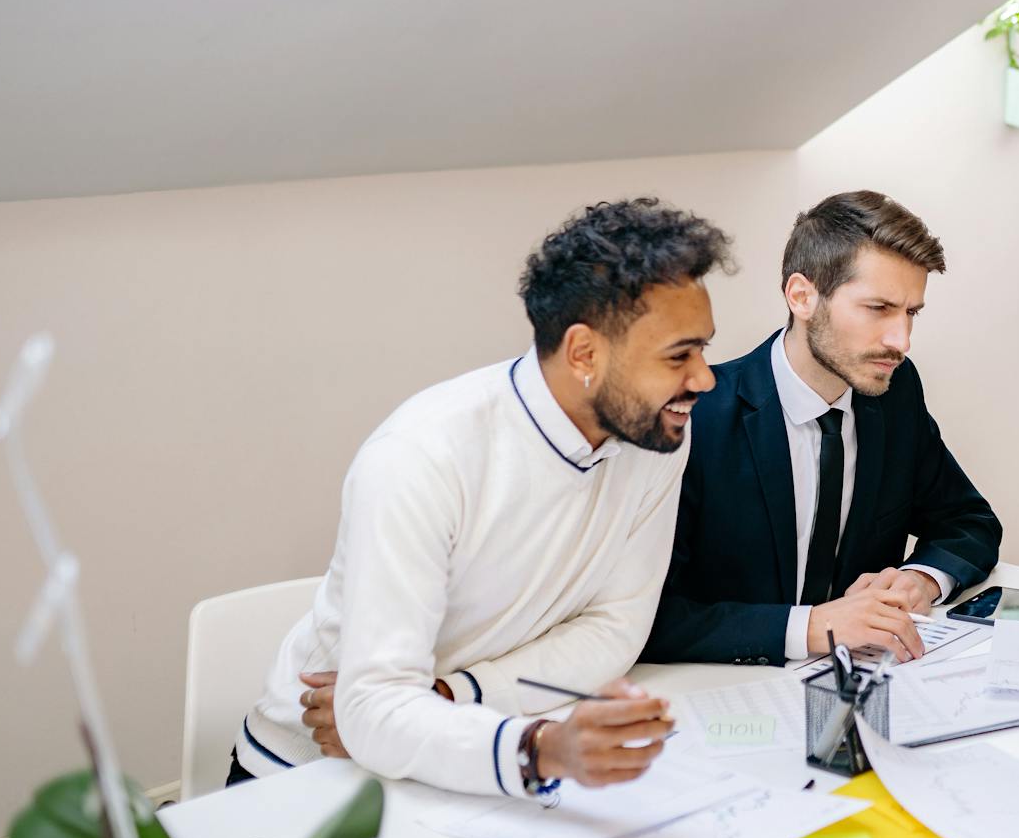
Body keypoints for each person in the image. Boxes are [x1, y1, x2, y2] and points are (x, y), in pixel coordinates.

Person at [234, 199, 732, 796]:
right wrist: (540, 750)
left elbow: (615, 629)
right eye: (679, 355)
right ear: (584, 354)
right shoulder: (421, 456)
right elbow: (368, 709)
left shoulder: (656, 433)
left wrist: (452, 696)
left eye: (702, 348)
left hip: (468, 751)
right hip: (310, 772)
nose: (704, 378)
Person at [644, 190, 1002, 666]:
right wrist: (810, 627)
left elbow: (969, 523)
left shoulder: (895, 392)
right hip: (727, 694)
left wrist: (921, 579)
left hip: (867, 683)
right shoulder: (696, 417)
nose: (902, 340)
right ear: (802, 296)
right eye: (878, 308)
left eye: (911, 312)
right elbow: (652, 617)